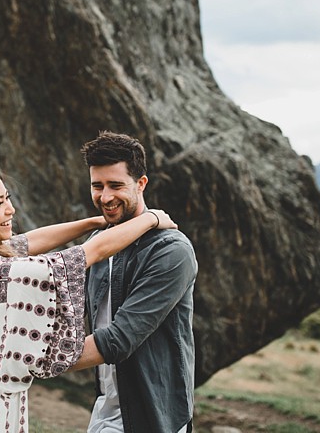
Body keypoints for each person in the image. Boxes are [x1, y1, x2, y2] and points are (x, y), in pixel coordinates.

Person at [0, 159, 177, 433]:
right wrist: (151, 219)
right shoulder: (0, 274)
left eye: (7, 198)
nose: (10, 209)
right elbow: (89, 254)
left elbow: (26, 242)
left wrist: (96, 221)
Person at [78, 131, 198, 433]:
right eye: (97, 186)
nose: (105, 197)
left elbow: (119, 339)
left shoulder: (171, 251)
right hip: (105, 410)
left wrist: (38, 359)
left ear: (141, 183)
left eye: (116, 185)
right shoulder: (98, 244)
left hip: (154, 419)